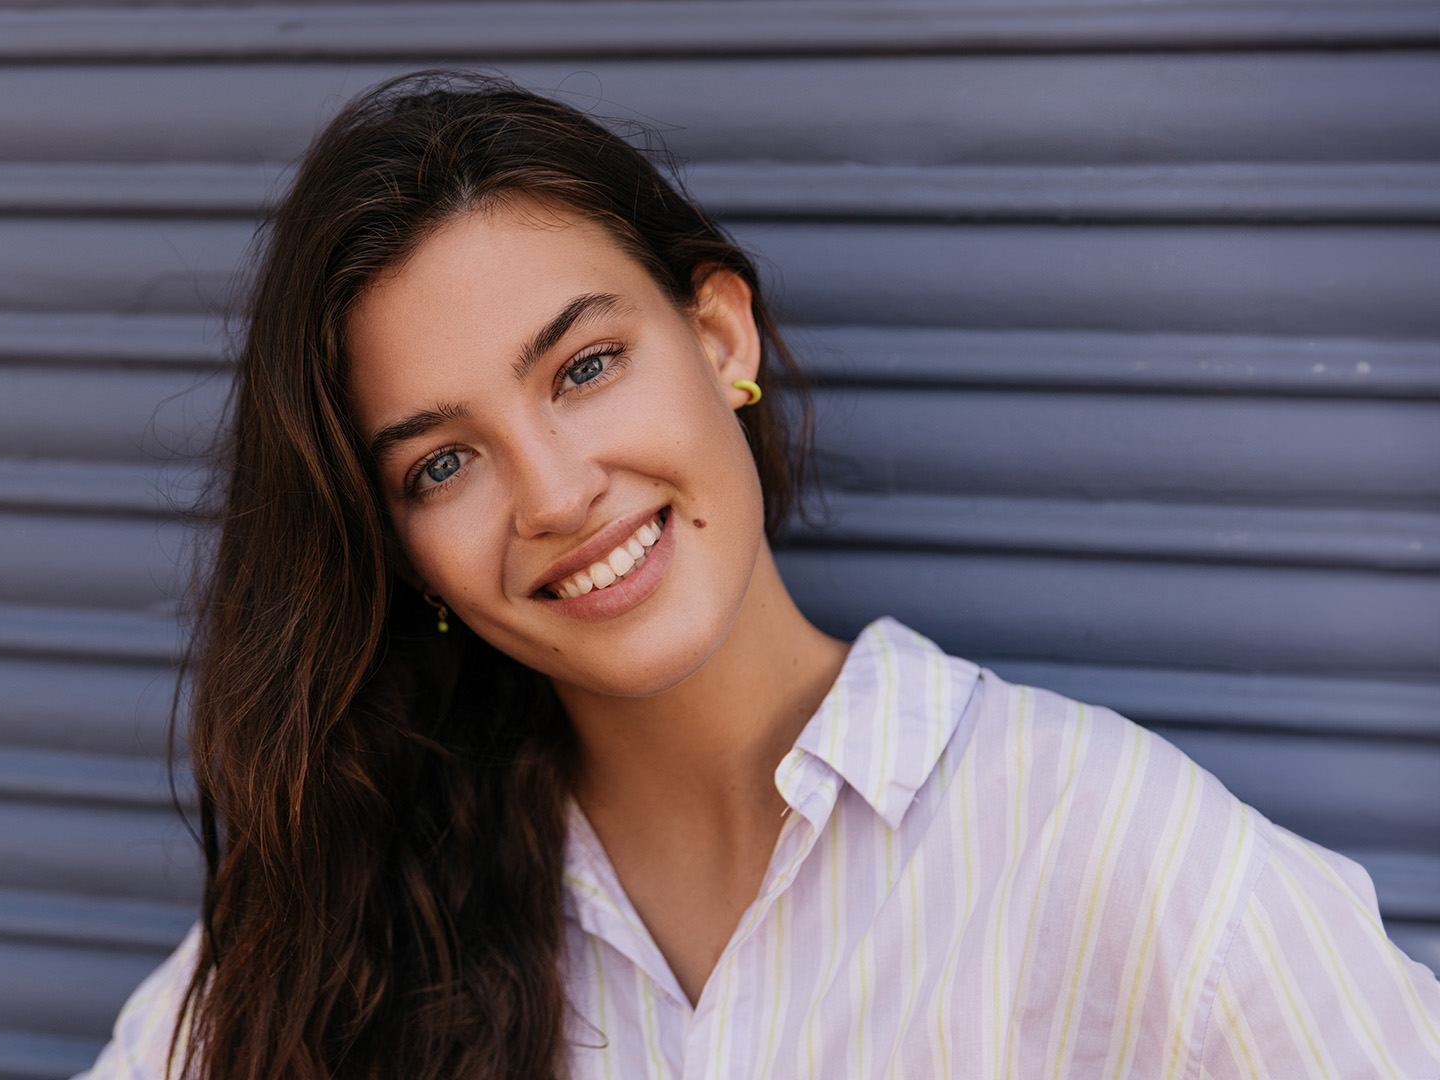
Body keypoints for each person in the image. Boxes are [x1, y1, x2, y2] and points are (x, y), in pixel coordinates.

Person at [78, 72, 1440, 1079]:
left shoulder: (1089, 844)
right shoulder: (351, 922)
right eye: (442, 464)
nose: (554, 495)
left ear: (719, 334)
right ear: (397, 549)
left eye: (585, 368)